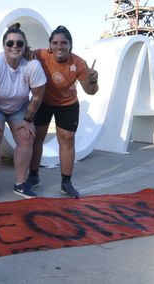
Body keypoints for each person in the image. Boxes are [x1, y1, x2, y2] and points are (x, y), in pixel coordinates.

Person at [28, 25, 99, 198]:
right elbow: (22, 53)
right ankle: (33, 175)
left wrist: (93, 80)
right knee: (37, 137)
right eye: (55, 43)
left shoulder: (79, 63)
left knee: (67, 140)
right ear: (50, 46)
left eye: (64, 43)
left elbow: (91, 91)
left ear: (70, 45)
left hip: (67, 104)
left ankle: (66, 182)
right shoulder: (40, 55)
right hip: (43, 101)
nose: (59, 46)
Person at [0, 27, 46, 201]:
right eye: (10, 43)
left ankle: (20, 184)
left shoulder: (32, 65)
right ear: (4, 46)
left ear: (25, 46)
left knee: (26, 137)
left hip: (19, 105)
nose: (14, 46)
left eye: (19, 43)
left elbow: (38, 95)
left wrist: (28, 119)